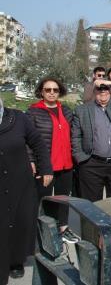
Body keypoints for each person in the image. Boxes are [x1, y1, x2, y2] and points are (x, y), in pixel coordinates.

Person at [0, 96, 53, 283]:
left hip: (20, 183)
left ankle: (16, 261)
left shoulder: (18, 118)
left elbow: (38, 143)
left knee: (20, 224)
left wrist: (46, 168)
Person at [26, 77, 78, 244]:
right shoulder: (33, 111)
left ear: (59, 91)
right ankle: (45, 232)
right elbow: (27, 140)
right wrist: (31, 160)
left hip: (66, 164)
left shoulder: (67, 111)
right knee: (45, 200)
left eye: (55, 90)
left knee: (63, 199)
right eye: (48, 90)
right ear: (41, 91)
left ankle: (63, 228)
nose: (51, 93)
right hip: (46, 165)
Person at [71, 78, 111, 202]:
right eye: (100, 88)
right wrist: (81, 158)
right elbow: (75, 136)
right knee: (93, 204)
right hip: (92, 164)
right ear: (94, 91)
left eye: (106, 88)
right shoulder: (82, 110)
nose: (103, 91)